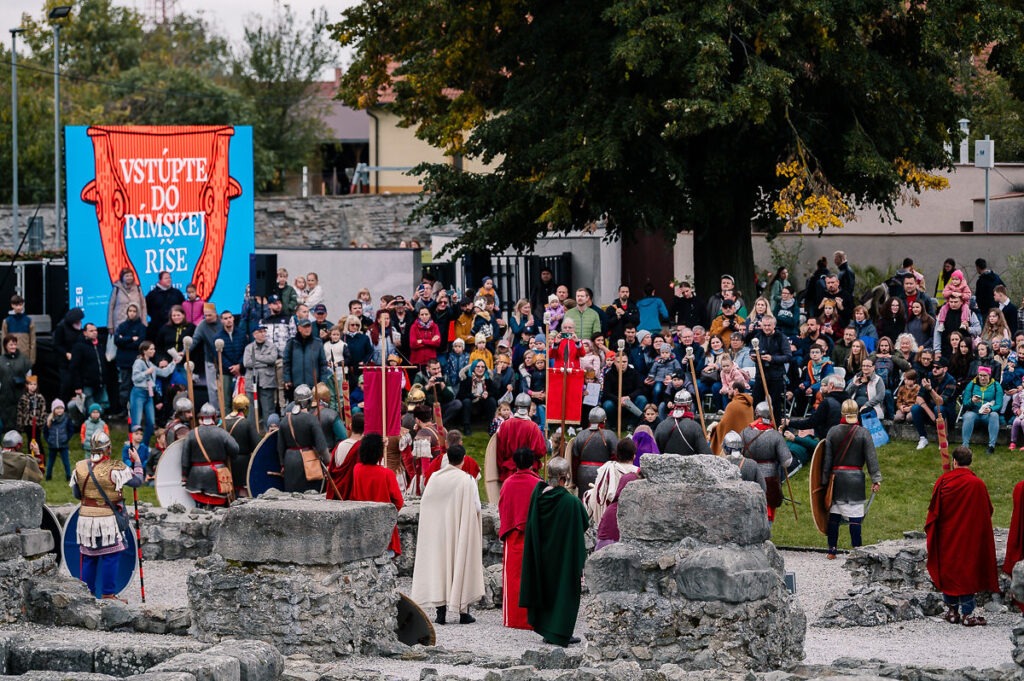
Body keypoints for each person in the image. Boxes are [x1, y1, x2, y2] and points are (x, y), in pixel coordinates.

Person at [411, 444, 485, 625]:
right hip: (459, 528)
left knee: (440, 566)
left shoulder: (435, 477)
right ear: (463, 459)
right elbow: (476, 506)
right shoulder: (467, 480)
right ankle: (463, 613)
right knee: (460, 563)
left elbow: (426, 502)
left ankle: (441, 612)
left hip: (437, 531)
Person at [925, 446, 999, 627]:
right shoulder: (977, 484)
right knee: (967, 571)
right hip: (969, 536)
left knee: (949, 569)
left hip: (947, 535)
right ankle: (968, 614)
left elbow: (934, 511)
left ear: (954, 462)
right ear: (970, 462)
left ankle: (951, 612)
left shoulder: (943, 481)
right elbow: (987, 510)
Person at [520, 456, 589, 647]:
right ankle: (560, 633)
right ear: (564, 478)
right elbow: (584, 522)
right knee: (564, 592)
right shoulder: (571, 503)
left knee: (546, 589)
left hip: (542, 555)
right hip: (564, 555)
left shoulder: (538, 495)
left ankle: (547, 629)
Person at [70, 431, 143, 600]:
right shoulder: (115, 467)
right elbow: (138, 480)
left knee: (89, 556)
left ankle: (86, 595)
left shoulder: (79, 467)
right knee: (111, 555)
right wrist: (137, 461)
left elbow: (76, 494)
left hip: (85, 519)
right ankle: (108, 594)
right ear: (108, 449)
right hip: (107, 519)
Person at [821, 399, 881, 559]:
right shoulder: (863, 433)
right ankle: (857, 550)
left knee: (834, 515)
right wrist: (876, 478)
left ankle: (832, 550)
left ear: (842, 413)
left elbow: (827, 460)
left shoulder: (833, 431)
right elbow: (871, 458)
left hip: (837, 479)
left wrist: (824, 481)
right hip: (855, 479)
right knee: (855, 517)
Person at [498, 446, 543, 629]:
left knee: (513, 576)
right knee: (534, 576)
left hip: (514, 533)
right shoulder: (539, 484)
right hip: (534, 535)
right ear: (532, 462)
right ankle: (533, 618)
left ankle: (513, 618)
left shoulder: (508, 483)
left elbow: (503, 507)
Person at [350, 433, 404, 556]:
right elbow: (399, 502)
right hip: (384, 526)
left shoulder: (357, 469)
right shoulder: (387, 474)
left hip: (362, 524)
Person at [740, 402, 792, 523]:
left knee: (749, 507)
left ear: (756, 414)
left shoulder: (744, 432)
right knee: (767, 508)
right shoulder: (775, 436)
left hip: (748, 474)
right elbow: (787, 462)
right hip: (769, 476)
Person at [182, 403, 239, 507]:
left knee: (199, 509)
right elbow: (235, 449)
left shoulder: (191, 433)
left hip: (196, 476)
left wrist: (184, 475)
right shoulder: (222, 432)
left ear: (201, 417)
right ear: (214, 417)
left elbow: (185, 458)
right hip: (217, 475)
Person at [277, 385, 330, 493]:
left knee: (292, 496)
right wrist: (328, 462)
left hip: (289, 461)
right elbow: (321, 446)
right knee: (311, 496)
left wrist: (282, 464)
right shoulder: (311, 420)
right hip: (309, 461)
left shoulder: (284, 421)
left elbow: (280, 447)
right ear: (309, 401)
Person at [130, 341, 179, 447]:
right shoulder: (139, 362)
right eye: (151, 349)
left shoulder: (150, 363)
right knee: (136, 422)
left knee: (151, 423)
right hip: (139, 392)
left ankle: (144, 445)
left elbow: (164, 372)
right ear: (144, 350)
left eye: (154, 349)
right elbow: (135, 378)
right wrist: (146, 372)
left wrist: (173, 362)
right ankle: (134, 446)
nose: (154, 351)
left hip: (149, 394)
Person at [583, 438, 638, 525]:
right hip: (631, 520)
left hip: (606, 518)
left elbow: (597, 497)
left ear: (617, 454)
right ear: (634, 456)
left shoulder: (606, 469)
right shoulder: (638, 474)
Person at [495, 393, 546, 483]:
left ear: (516, 407)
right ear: (529, 407)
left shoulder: (505, 425)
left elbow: (500, 452)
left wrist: (501, 471)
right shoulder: (533, 427)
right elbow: (540, 451)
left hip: (509, 474)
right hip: (528, 473)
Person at [570, 407, 618, 499]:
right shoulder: (610, 435)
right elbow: (615, 457)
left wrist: (575, 479)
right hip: (603, 472)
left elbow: (575, 461)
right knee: (600, 502)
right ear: (604, 420)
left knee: (584, 500)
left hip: (583, 473)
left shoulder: (580, 435)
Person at [960, 366, 1003, 454]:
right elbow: (965, 404)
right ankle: (965, 446)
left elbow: (999, 404)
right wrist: (972, 401)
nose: (982, 378)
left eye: (985, 375)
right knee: (968, 416)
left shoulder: (996, 385)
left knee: (994, 415)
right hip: (974, 413)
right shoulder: (971, 384)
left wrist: (991, 409)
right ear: (978, 375)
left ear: (989, 375)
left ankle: (991, 446)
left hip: (987, 415)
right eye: (980, 375)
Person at [653, 390, 711, 455]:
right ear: (689, 406)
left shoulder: (661, 425)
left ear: (675, 404)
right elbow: (707, 455)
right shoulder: (694, 427)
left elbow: (653, 452)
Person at [223, 394, 259, 496]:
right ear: (246, 408)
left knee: (231, 488)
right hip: (243, 463)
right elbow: (256, 445)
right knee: (243, 489)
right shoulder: (246, 423)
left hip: (228, 461)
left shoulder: (223, 422)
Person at [145, 270, 185, 335]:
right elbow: (147, 308)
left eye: (169, 278)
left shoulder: (177, 293)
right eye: (166, 278)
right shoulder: (152, 294)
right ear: (160, 280)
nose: (169, 280)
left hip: (175, 327)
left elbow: (182, 307)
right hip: (157, 328)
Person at [44, 399, 74, 482]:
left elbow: (71, 430)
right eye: (57, 408)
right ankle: (48, 476)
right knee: (50, 462)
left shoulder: (67, 419)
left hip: (63, 444)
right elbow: (45, 432)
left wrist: (66, 439)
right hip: (52, 445)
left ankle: (68, 476)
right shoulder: (49, 419)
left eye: (61, 408)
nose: (59, 410)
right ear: (53, 409)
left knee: (66, 462)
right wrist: (49, 440)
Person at [3, 294, 36, 366]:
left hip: (25, 357)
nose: (18, 307)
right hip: (11, 359)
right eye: (16, 305)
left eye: (20, 305)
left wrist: (32, 359)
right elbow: (3, 342)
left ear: (23, 305)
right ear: (12, 305)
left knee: (25, 377)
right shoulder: (7, 321)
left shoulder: (29, 321)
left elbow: (32, 342)